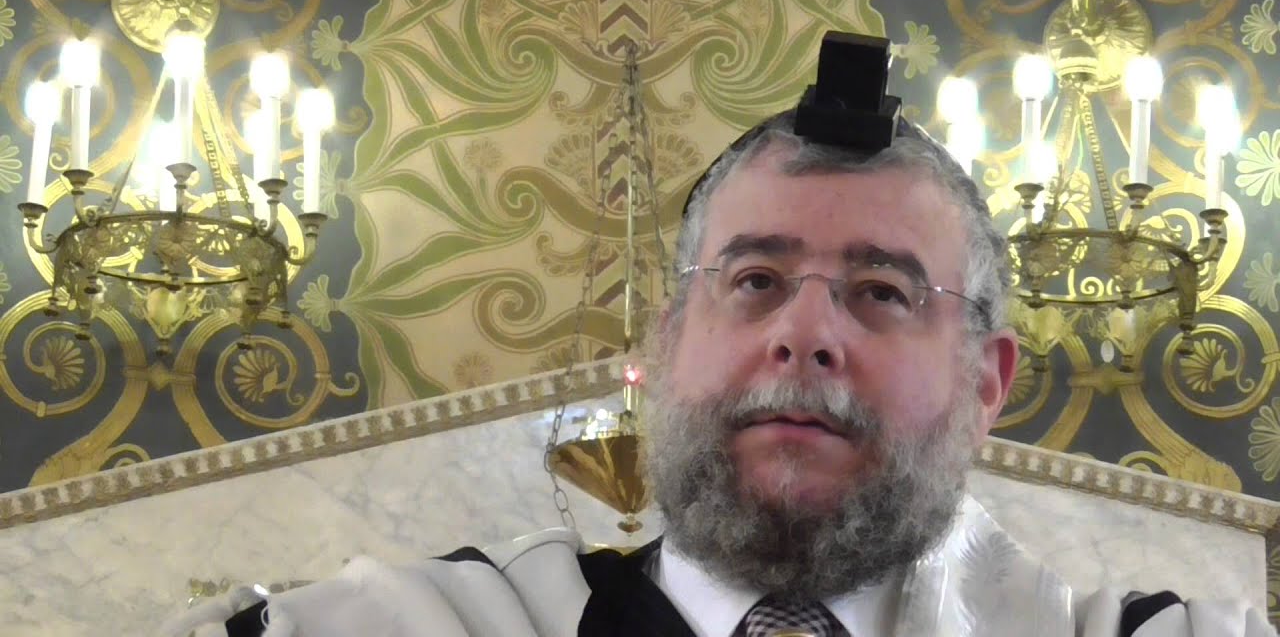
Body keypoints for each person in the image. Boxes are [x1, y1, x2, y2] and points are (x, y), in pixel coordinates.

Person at [164, 36, 1276, 636]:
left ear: (985, 383)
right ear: (667, 341)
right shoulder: (412, 629)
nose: (804, 333)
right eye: (753, 281)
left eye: (881, 292)